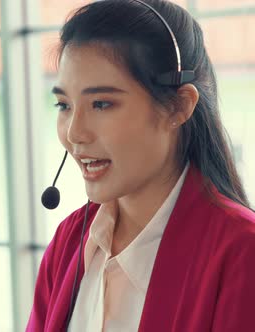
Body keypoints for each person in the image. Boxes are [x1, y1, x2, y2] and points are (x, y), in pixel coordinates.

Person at [27, 0, 255, 331]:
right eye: (63, 105)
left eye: (102, 104)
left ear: (178, 106)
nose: (74, 133)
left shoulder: (241, 255)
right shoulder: (69, 241)